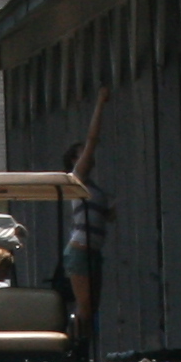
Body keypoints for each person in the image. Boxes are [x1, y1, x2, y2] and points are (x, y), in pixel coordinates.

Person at [61, 89, 112, 347]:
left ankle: (86, 347)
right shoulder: (77, 177)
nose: (88, 156)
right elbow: (93, 139)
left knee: (93, 306)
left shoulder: (93, 187)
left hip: (93, 250)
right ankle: (75, 347)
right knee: (85, 305)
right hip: (80, 249)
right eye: (81, 153)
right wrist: (100, 103)